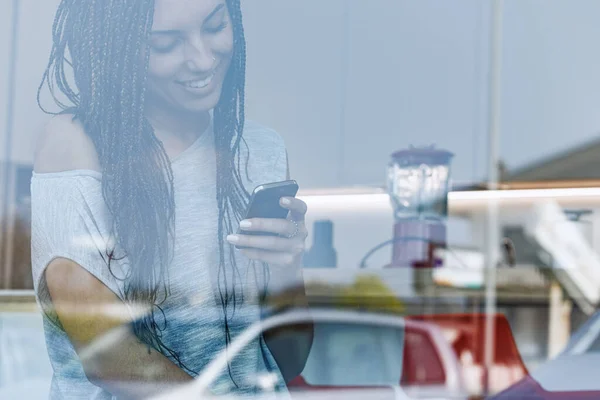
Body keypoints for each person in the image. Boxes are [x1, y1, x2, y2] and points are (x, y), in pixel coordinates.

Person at [31, 0, 312, 398]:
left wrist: (288, 269)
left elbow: (289, 359)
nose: (201, 60)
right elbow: (108, 357)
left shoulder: (261, 151)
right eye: (165, 44)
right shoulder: (75, 145)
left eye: (215, 26)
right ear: (118, 49)